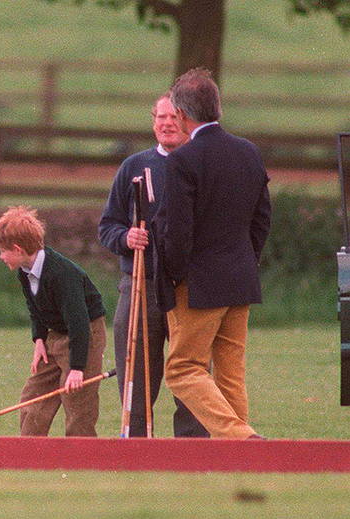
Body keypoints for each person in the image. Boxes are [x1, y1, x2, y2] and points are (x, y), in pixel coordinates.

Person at [153, 68, 271, 439]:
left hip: (198, 285)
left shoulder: (182, 161)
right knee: (230, 374)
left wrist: (172, 275)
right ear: (216, 107)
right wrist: (245, 260)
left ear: (184, 116)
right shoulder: (249, 151)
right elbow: (262, 218)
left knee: (182, 369)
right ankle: (241, 455)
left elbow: (178, 231)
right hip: (240, 278)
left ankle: (241, 438)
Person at [99, 94, 209, 438]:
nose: (166, 123)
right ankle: (135, 443)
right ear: (153, 122)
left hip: (188, 287)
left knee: (191, 371)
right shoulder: (133, 167)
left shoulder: (202, 164)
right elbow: (108, 226)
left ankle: (192, 448)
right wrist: (126, 237)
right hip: (140, 284)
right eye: (160, 117)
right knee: (136, 370)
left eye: (174, 117)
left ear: (188, 121)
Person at [0, 206, 107, 436]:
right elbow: (35, 308)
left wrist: (77, 368)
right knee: (32, 397)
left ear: (18, 249)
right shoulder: (24, 270)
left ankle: (81, 459)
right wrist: (39, 339)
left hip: (85, 335)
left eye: (4, 251)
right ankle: (30, 455)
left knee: (76, 401)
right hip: (55, 334)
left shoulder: (63, 274)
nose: (1, 257)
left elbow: (79, 322)